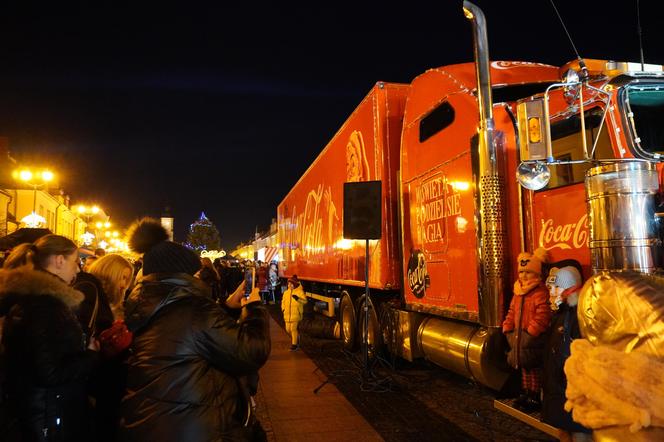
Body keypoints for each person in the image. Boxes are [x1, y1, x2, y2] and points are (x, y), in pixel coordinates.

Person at [119, 218, 271, 441]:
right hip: (196, 427)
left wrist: (227, 308)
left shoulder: (150, 304)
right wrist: (254, 307)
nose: (200, 275)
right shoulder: (193, 309)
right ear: (182, 274)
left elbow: (192, 336)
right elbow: (251, 350)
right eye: (195, 272)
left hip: (162, 422)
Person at [0, 236, 100, 441]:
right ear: (59, 260)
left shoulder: (34, 296)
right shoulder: (46, 305)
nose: (79, 269)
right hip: (47, 414)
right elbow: (50, 373)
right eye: (75, 261)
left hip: (37, 409)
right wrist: (90, 354)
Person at [86, 254, 135, 442]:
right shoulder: (94, 302)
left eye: (127, 279)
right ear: (110, 274)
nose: (124, 284)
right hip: (99, 379)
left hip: (114, 379)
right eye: (122, 278)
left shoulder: (121, 304)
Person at [541, 266, 591, 440]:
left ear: (570, 288)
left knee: (578, 435)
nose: (552, 293)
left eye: (557, 288)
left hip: (574, 395)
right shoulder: (561, 315)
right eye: (551, 288)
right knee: (565, 433)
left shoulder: (579, 317)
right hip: (561, 392)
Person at [502, 247, 552, 412]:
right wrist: (507, 327)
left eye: (528, 273)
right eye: (522, 272)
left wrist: (531, 332)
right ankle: (526, 392)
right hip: (519, 337)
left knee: (534, 368)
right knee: (523, 366)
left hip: (532, 338)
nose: (524, 276)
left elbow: (543, 315)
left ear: (537, 274)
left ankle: (535, 396)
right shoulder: (518, 293)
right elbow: (511, 312)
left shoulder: (540, 292)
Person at [281, 274, 306, 351]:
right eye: (288, 284)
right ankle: (296, 338)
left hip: (296, 314)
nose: (289, 285)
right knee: (288, 329)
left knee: (293, 329)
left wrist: (298, 299)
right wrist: (283, 309)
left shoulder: (299, 292)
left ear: (294, 285)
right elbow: (283, 302)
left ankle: (294, 344)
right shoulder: (286, 293)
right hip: (287, 314)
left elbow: (304, 301)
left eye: (291, 284)